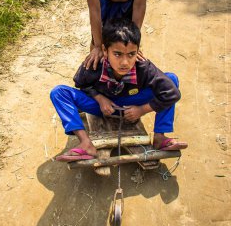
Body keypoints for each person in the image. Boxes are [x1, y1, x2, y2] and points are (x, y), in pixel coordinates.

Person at [50, 19, 187, 162]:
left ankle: (159, 137)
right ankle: (85, 143)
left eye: (131, 54)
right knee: (58, 92)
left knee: (170, 79)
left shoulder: (144, 68)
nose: (125, 62)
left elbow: (172, 93)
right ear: (104, 50)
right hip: (101, 107)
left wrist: (141, 110)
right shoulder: (94, 64)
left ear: (138, 51)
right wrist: (99, 98)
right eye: (117, 54)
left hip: (132, 103)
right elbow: (81, 83)